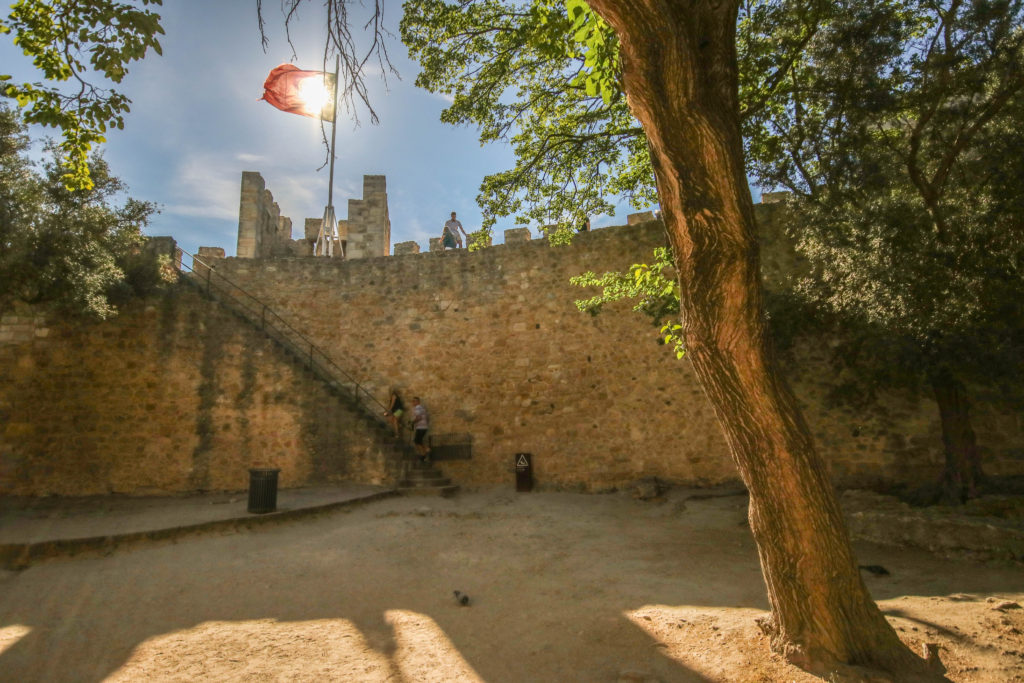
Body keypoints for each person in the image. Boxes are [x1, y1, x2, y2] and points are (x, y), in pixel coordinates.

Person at [410, 396, 430, 461]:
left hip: (420, 427)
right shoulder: (422, 408)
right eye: (412, 401)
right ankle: (424, 454)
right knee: (419, 441)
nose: (413, 402)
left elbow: (419, 418)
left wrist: (412, 422)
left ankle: (426, 451)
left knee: (417, 441)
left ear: (418, 402)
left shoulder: (417, 408)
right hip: (424, 426)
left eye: (414, 401)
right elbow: (426, 417)